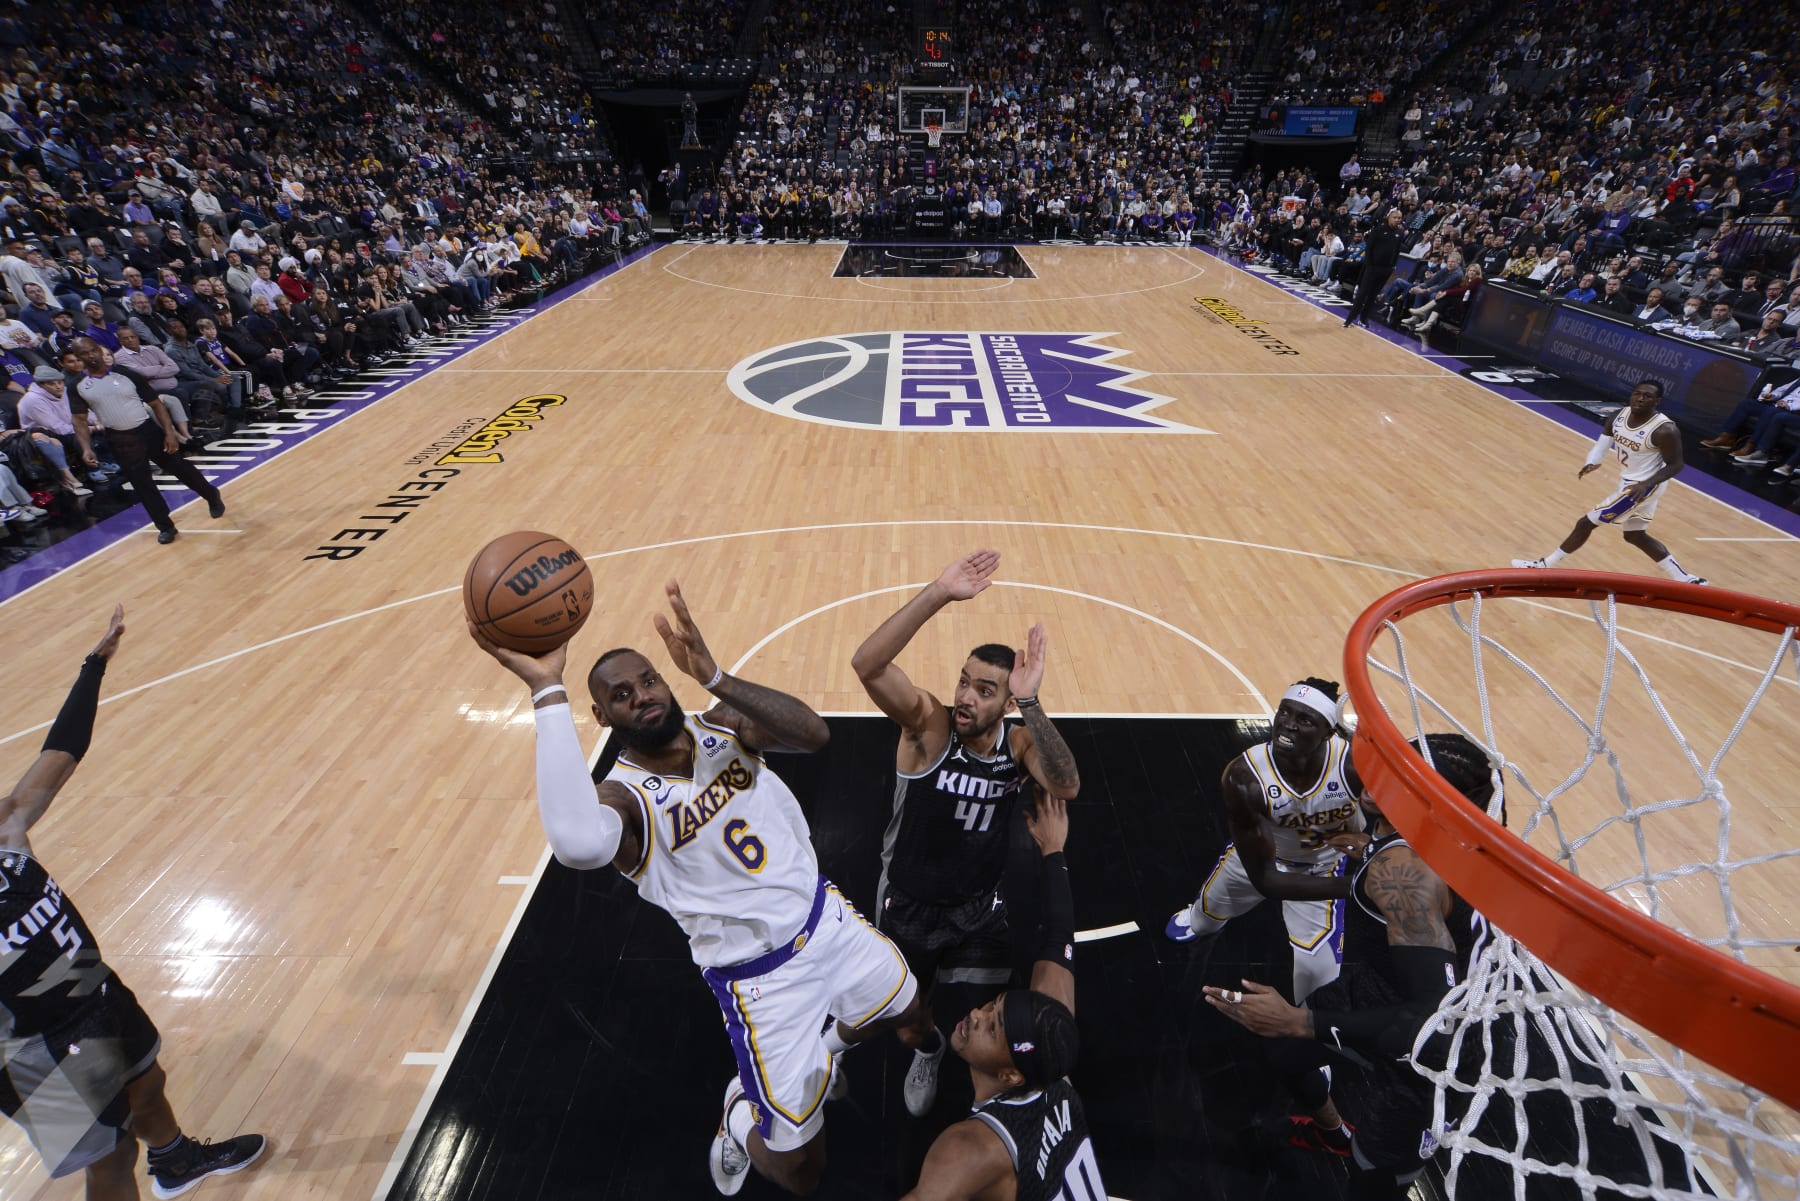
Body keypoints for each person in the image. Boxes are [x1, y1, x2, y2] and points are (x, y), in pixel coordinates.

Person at [468, 580, 927, 1198]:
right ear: (602, 717)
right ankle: (739, 1118)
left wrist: (716, 676)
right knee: (801, 1173)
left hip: (829, 924)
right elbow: (577, 844)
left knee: (908, 1013)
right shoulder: (622, 800)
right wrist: (547, 689)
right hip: (761, 981)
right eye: (621, 696)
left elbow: (814, 735)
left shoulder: (725, 725)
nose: (643, 697)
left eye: (649, 681)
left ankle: (829, 1044)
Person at [1, 607, 267, 1199]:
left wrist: (93, 665)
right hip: (27, 1051)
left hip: (87, 988)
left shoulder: (6, 827)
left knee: (148, 1083)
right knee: (113, 1154)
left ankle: (176, 1162)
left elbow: (63, 752)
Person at [1203, 733, 1493, 1200]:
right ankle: (1331, 1132)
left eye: (1405, 781)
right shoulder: (1438, 842)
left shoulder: (1403, 875)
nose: (1379, 778)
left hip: (1437, 1055)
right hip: (1385, 990)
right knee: (1284, 1052)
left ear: (1433, 804)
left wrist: (1301, 1019)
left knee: (1372, 1185)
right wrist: (1370, 851)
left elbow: (1432, 1025)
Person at [850, 549, 1082, 1117]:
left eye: (984, 691)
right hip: (909, 904)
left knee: (988, 1011)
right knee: (908, 1024)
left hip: (979, 907)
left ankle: (986, 1087)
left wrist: (1032, 701)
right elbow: (867, 665)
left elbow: (1067, 785)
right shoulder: (927, 727)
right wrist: (937, 593)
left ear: (1006, 703)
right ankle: (929, 1050)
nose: (965, 698)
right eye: (963, 682)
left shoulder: (1019, 740)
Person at [899, 791, 1106, 1201]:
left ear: (1011, 1076)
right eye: (992, 1006)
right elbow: (1060, 933)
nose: (975, 1014)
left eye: (991, 1028)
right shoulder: (1050, 1051)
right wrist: (1053, 849)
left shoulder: (969, 1150)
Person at [1166, 679, 1365, 1002]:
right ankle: (1200, 918)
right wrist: (1358, 886)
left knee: (1318, 983)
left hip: (1322, 866)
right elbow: (1267, 881)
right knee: (1204, 921)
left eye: (1305, 720)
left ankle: (1314, 1043)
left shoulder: (1353, 765)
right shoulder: (1245, 777)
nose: (1288, 725)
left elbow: (1391, 815)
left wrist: (1369, 841)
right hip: (1256, 863)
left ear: (1329, 732)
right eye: (1285, 712)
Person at [1513, 378, 1705, 584]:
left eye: (1647, 396)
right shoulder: (1618, 416)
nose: (1640, 399)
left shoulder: (1664, 430)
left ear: (1657, 401)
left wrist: (1645, 484)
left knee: (1585, 523)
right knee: (1635, 535)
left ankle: (1544, 566)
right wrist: (1593, 462)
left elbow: (1676, 465)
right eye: (1637, 393)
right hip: (1631, 482)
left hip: (1643, 486)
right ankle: (1686, 578)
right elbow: (1604, 440)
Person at [66, 337, 226, 544]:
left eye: (93, 350)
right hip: (118, 437)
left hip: (147, 430)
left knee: (179, 467)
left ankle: (211, 495)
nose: (91, 356)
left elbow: (156, 404)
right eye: (84, 354)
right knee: (142, 484)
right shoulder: (77, 385)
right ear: (78, 358)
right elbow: (78, 419)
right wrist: (86, 447)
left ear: (98, 349)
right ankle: (164, 526)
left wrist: (169, 432)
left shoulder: (125, 373)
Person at [1344, 208, 1405, 328]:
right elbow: (1369, 248)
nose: (1397, 220)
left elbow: (1397, 250)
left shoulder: (1399, 233)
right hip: (1373, 267)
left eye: (1399, 218)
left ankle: (1364, 318)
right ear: (1389, 217)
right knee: (1363, 294)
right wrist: (1370, 264)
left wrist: (1393, 265)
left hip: (1386, 269)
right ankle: (1350, 318)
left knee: (1373, 296)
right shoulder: (1379, 230)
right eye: (1395, 217)